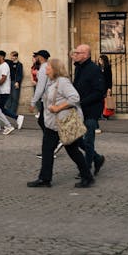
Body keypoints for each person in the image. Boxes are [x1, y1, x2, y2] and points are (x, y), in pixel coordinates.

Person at [27, 58, 94, 189]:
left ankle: (87, 176)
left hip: (63, 123)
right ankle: (45, 179)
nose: (45, 70)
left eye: (48, 67)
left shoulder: (63, 82)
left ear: (55, 69)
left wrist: (58, 108)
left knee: (73, 150)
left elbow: (75, 98)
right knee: (47, 150)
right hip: (52, 124)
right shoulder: (53, 81)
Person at [71, 44, 106, 177]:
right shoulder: (78, 68)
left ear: (85, 55)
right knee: (77, 140)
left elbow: (99, 92)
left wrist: (81, 102)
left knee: (88, 140)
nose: (75, 55)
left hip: (91, 110)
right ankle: (97, 158)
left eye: (78, 53)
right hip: (79, 109)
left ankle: (86, 169)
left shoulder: (94, 69)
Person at [30, 49, 51, 132]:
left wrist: (33, 102)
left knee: (42, 121)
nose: (35, 58)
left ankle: (54, 139)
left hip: (47, 99)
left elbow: (40, 88)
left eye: (37, 57)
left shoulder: (43, 69)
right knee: (45, 121)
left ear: (41, 58)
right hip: (48, 98)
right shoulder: (47, 66)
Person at [5, 51, 24, 128]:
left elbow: (20, 74)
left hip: (15, 83)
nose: (11, 58)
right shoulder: (9, 62)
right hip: (8, 82)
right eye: (11, 56)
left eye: (12, 56)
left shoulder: (19, 65)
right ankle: (9, 112)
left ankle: (13, 113)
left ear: (16, 57)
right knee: (8, 97)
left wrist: (17, 82)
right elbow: (0, 58)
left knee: (15, 98)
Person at [98, 54, 113, 123]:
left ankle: (106, 115)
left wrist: (109, 88)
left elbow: (110, 78)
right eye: (99, 59)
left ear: (104, 60)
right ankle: (100, 114)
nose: (99, 60)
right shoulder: (98, 68)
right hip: (99, 87)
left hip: (106, 87)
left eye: (101, 59)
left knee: (106, 101)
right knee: (100, 101)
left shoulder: (108, 67)